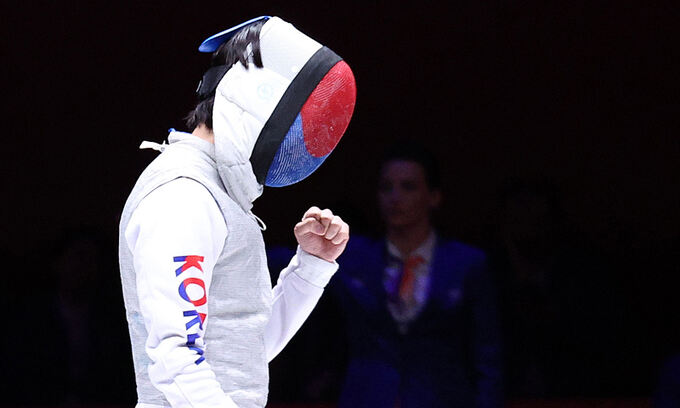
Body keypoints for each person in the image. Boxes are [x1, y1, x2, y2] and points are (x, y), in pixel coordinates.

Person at [118, 16, 356, 408]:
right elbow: (176, 362)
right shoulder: (185, 196)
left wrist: (311, 267)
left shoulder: (215, 193)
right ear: (258, 100)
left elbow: (243, 349)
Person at [331, 142, 503, 407]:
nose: (395, 197)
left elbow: (487, 354)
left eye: (408, 187)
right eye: (386, 187)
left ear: (434, 196)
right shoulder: (352, 257)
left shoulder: (467, 263)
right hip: (368, 398)